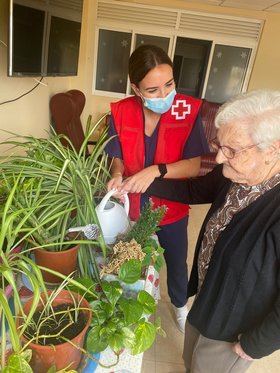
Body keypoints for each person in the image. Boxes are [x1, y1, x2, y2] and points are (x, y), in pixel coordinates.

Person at [132, 89, 280, 372]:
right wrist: (142, 181)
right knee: (191, 361)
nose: (220, 159)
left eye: (232, 150)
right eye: (219, 145)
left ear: (272, 149)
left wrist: (255, 345)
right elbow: (194, 189)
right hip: (207, 298)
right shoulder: (237, 172)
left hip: (233, 328)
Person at [105, 44, 209, 332]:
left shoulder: (187, 109)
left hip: (171, 209)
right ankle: (127, 301)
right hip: (132, 207)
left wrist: (156, 170)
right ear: (136, 89)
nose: (165, 95)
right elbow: (117, 155)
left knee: (176, 261)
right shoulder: (121, 111)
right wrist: (116, 174)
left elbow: (193, 165)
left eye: (169, 84)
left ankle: (179, 305)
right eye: (153, 90)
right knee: (128, 257)